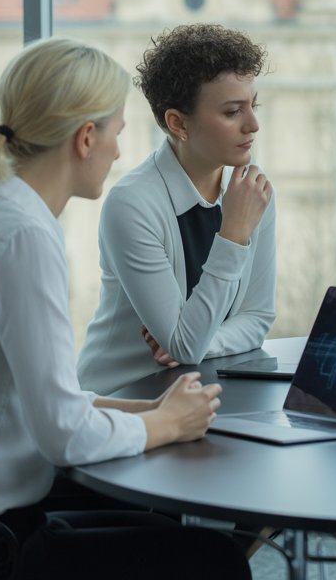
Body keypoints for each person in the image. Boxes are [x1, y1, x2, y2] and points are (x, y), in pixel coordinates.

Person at [0, 37, 249, 579]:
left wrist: (147, 411)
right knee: (213, 559)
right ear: (86, 137)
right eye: (117, 132)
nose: (119, 151)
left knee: (171, 534)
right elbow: (63, 434)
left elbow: (47, 399)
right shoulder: (25, 236)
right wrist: (164, 426)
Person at [78, 23, 276, 395]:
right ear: (178, 124)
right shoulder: (132, 204)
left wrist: (205, 342)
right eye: (233, 112)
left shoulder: (254, 191)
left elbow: (257, 318)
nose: (253, 124)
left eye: (253, 105)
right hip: (120, 401)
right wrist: (233, 233)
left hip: (201, 394)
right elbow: (184, 346)